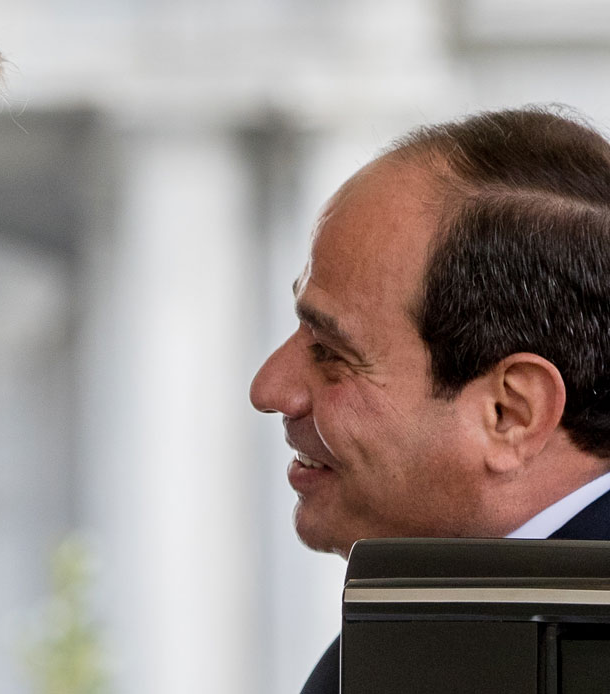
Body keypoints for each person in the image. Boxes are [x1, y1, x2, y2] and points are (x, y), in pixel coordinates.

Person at [249, 106, 610, 694]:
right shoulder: (454, 609)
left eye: (331, 351)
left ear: (511, 413)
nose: (269, 389)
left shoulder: (563, 650)